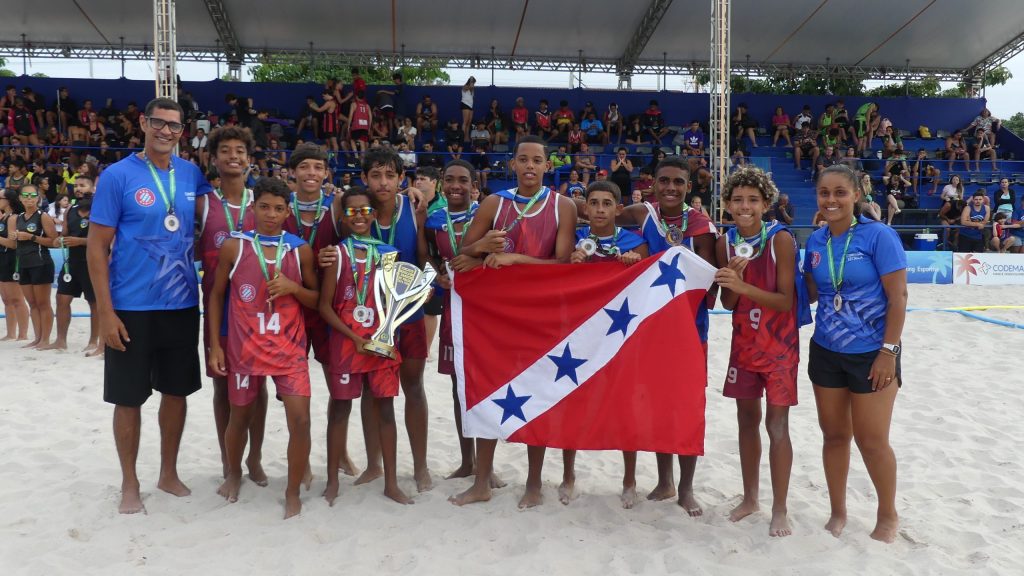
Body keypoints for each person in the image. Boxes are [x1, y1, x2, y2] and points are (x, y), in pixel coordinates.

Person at [87, 97, 212, 514]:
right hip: (130, 307)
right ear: (143, 123)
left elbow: (223, 217)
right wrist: (104, 312)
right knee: (129, 398)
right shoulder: (117, 176)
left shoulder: (191, 173)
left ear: (183, 131)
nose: (166, 132)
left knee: (176, 393)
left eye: (174, 126)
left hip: (180, 306)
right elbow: (96, 248)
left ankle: (168, 473)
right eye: (159, 123)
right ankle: (129, 482)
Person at [449, 136, 577, 508]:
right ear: (514, 165)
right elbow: (463, 254)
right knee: (489, 390)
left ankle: (534, 483)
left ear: (548, 166)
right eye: (523, 159)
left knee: (535, 395)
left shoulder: (562, 206)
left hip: (540, 314)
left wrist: (516, 259)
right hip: (495, 314)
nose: (530, 166)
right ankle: (482, 480)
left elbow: (564, 265)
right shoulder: (494, 202)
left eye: (537, 160)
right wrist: (483, 246)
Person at [606, 156, 717, 515]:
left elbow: (706, 278)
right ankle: (665, 481)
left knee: (684, 406)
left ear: (689, 186)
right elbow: (599, 215)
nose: (671, 187)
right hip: (648, 325)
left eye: (679, 182)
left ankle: (686, 489)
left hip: (688, 328)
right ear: (652, 182)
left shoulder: (700, 224)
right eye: (664, 180)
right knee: (654, 403)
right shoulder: (643, 214)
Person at [803, 164, 906, 543]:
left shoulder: (879, 236)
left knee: (872, 440)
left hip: (872, 352)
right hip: (826, 350)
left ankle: (888, 513)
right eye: (824, 193)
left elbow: (899, 298)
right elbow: (813, 293)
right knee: (833, 436)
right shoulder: (815, 241)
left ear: (856, 195)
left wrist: (888, 352)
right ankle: (838, 511)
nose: (831, 200)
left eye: (839, 193)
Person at [207, 177, 319, 519]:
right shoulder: (234, 246)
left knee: (300, 421)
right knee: (239, 417)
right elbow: (215, 295)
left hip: (289, 351)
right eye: (265, 207)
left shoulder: (299, 249)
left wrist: (293, 288)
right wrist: (215, 345)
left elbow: (316, 299)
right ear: (253, 208)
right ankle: (234, 473)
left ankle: (291, 492)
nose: (271, 214)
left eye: (279, 208)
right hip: (245, 351)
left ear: (288, 212)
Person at [715, 167, 809, 537]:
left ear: (766, 203)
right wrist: (733, 282)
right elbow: (727, 300)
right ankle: (750, 497)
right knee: (745, 421)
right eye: (737, 200)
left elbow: (786, 300)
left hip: (779, 345)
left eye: (752, 200)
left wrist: (743, 285)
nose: (744, 206)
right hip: (744, 343)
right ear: (726, 204)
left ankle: (780, 508)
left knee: (777, 426)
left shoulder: (780, 239)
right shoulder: (726, 241)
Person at [319, 186, 409, 504]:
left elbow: (394, 304)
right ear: (343, 217)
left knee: (385, 409)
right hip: (346, 345)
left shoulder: (388, 253)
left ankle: (392, 482)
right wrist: (355, 338)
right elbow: (325, 306)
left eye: (364, 210)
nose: (359, 216)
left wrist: (384, 334)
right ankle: (332, 481)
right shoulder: (337, 254)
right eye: (352, 211)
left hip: (380, 345)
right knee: (340, 409)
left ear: (373, 214)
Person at [568, 180, 649, 508]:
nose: (600, 209)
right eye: (594, 203)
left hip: (619, 335)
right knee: (572, 403)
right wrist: (571, 264)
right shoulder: (574, 240)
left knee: (625, 405)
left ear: (618, 209)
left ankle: (629, 479)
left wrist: (635, 263)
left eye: (606, 203)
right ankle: (568, 474)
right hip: (581, 332)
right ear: (585, 208)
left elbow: (646, 283)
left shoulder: (636, 243)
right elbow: (559, 276)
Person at [195, 126, 268, 485]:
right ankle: (229, 460)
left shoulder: (263, 203)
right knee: (223, 386)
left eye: (240, 150)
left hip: (258, 313)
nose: (233, 156)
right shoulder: (202, 203)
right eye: (225, 150)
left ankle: (254, 458)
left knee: (259, 385)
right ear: (213, 158)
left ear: (250, 159)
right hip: (218, 309)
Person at [423, 160, 483, 481]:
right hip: (453, 312)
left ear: (474, 185)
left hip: (485, 313)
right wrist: (438, 273)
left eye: (463, 180)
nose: (455, 186)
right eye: (449, 180)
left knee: (484, 384)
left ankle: (486, 465)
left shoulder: (487, 215)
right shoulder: (434, 220)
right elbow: (428, 254)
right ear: (442, 183)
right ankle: (466, 461)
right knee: (457, 387)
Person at [54, 171, 100, 354]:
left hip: (93, 261)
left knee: (94, 302)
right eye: (77, 186)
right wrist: (59, 240)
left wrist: (81, 241)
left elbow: (108, 239)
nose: (78, 189)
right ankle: (60, 341)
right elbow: (64, 234)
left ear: (93, 188)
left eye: (83, 185)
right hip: (71, 262)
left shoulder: (101, 208)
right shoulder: (70, 210)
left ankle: (94, 340)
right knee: (61, 299)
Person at [0, 189, 30, 340]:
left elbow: (13, 244)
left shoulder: (12, 218)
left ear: (8, 200)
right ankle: (10, 333)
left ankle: (23, 334)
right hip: (3, 258)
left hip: (12, 259)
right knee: (6, 299)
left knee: (17, 298)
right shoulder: (4, 216)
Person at [460, 77, 476, 143]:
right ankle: (462, 137)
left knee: (469, 123)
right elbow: (467, 88)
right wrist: (470, 82)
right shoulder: (465, 86)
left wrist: (472, 86)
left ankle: (466, 137)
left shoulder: (472, 89)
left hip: (470, 106)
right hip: (465, 104)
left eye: (474, 83)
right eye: (473, 82)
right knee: (465, 122)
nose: (473, 84)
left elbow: (471, 91)